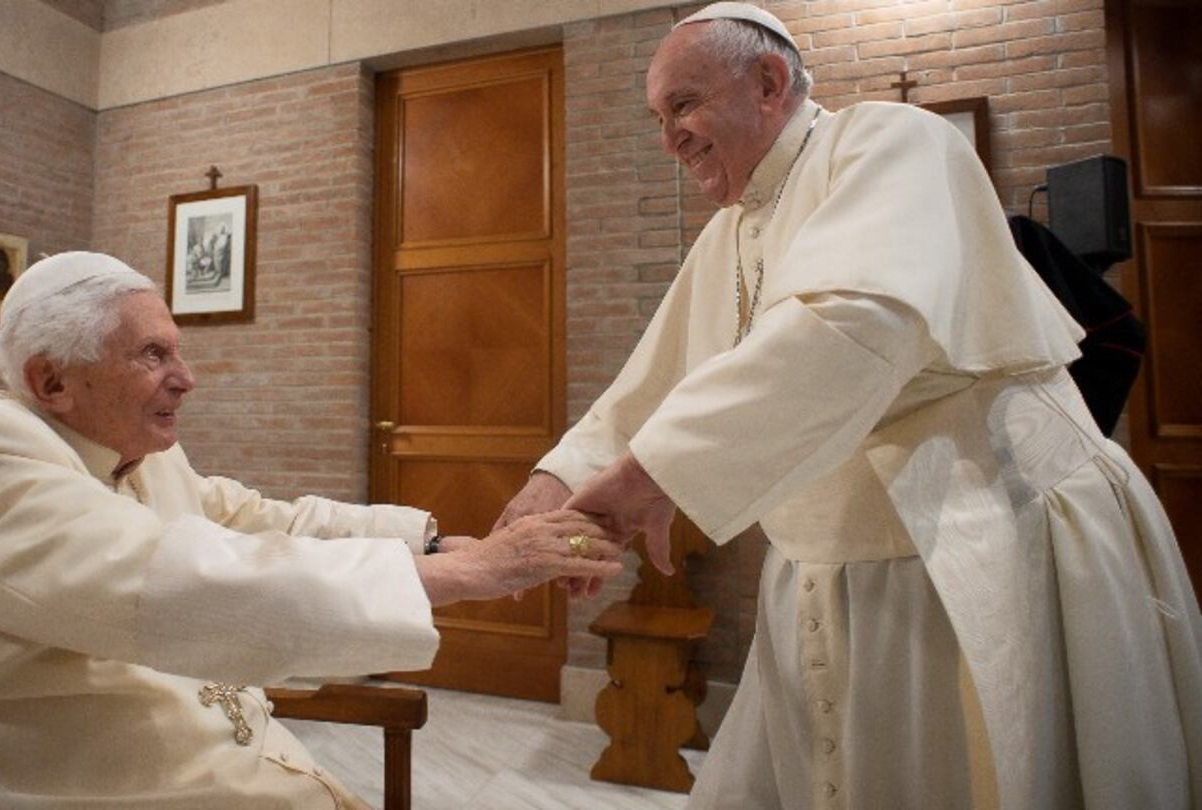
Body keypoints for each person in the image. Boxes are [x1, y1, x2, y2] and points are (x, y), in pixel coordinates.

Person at [494, 4, 1202, 808]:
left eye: (684, 107)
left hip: (975, 538)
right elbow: (651, 384)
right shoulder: (728, 233)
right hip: (825, 569)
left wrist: (648, 478)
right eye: (660, 119)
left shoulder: (891, 143)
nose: (671, 141)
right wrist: (556, 482)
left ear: (767, 83)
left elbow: (850, 327)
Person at [0, 251, 624, 809]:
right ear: (51, 381)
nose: (186, 377)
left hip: (192, 769)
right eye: (153, 354)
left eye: (179, 350)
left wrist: (432, 542)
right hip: (35, 783)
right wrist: (473, 576)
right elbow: (176, 577)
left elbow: (256, 518)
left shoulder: (138, 451)